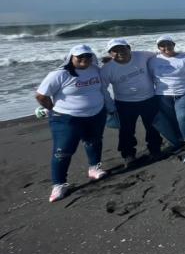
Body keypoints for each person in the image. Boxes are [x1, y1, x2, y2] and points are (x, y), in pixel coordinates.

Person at [35, 44, 111, 202]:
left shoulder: (95, 70)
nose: (85, 59)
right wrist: (52, 109)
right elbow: (41, 96)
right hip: (67, 118)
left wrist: (109, 59)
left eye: (88, 56)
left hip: (96, 114)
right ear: (71, 57)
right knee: (63, 151)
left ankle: (94, 168)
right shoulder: (59, 74)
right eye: (80, 56)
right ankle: (59, 184)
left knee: (94, 141)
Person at [100, 38, 165, 165]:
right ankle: (128, 155)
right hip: (125, 103)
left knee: (153, 127)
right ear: (110, 53)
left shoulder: (141, 55)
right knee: (126, 130)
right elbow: (102, 88)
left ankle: (155, 150)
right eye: (115, 50)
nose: (120, 52)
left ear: (129, 48)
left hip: (149, 99)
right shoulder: (107, 69)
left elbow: (159, 55)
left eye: (122, 48)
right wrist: (110, 106)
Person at [149, 35, 185, 145]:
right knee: (173, 119)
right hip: (163, 95)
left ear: (174, 45)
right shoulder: (153, 61)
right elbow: (148, 78)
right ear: (158, 47)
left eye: (168, 44)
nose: (166, 47)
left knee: (182, 117)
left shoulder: (184, 58)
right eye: (162, 45)